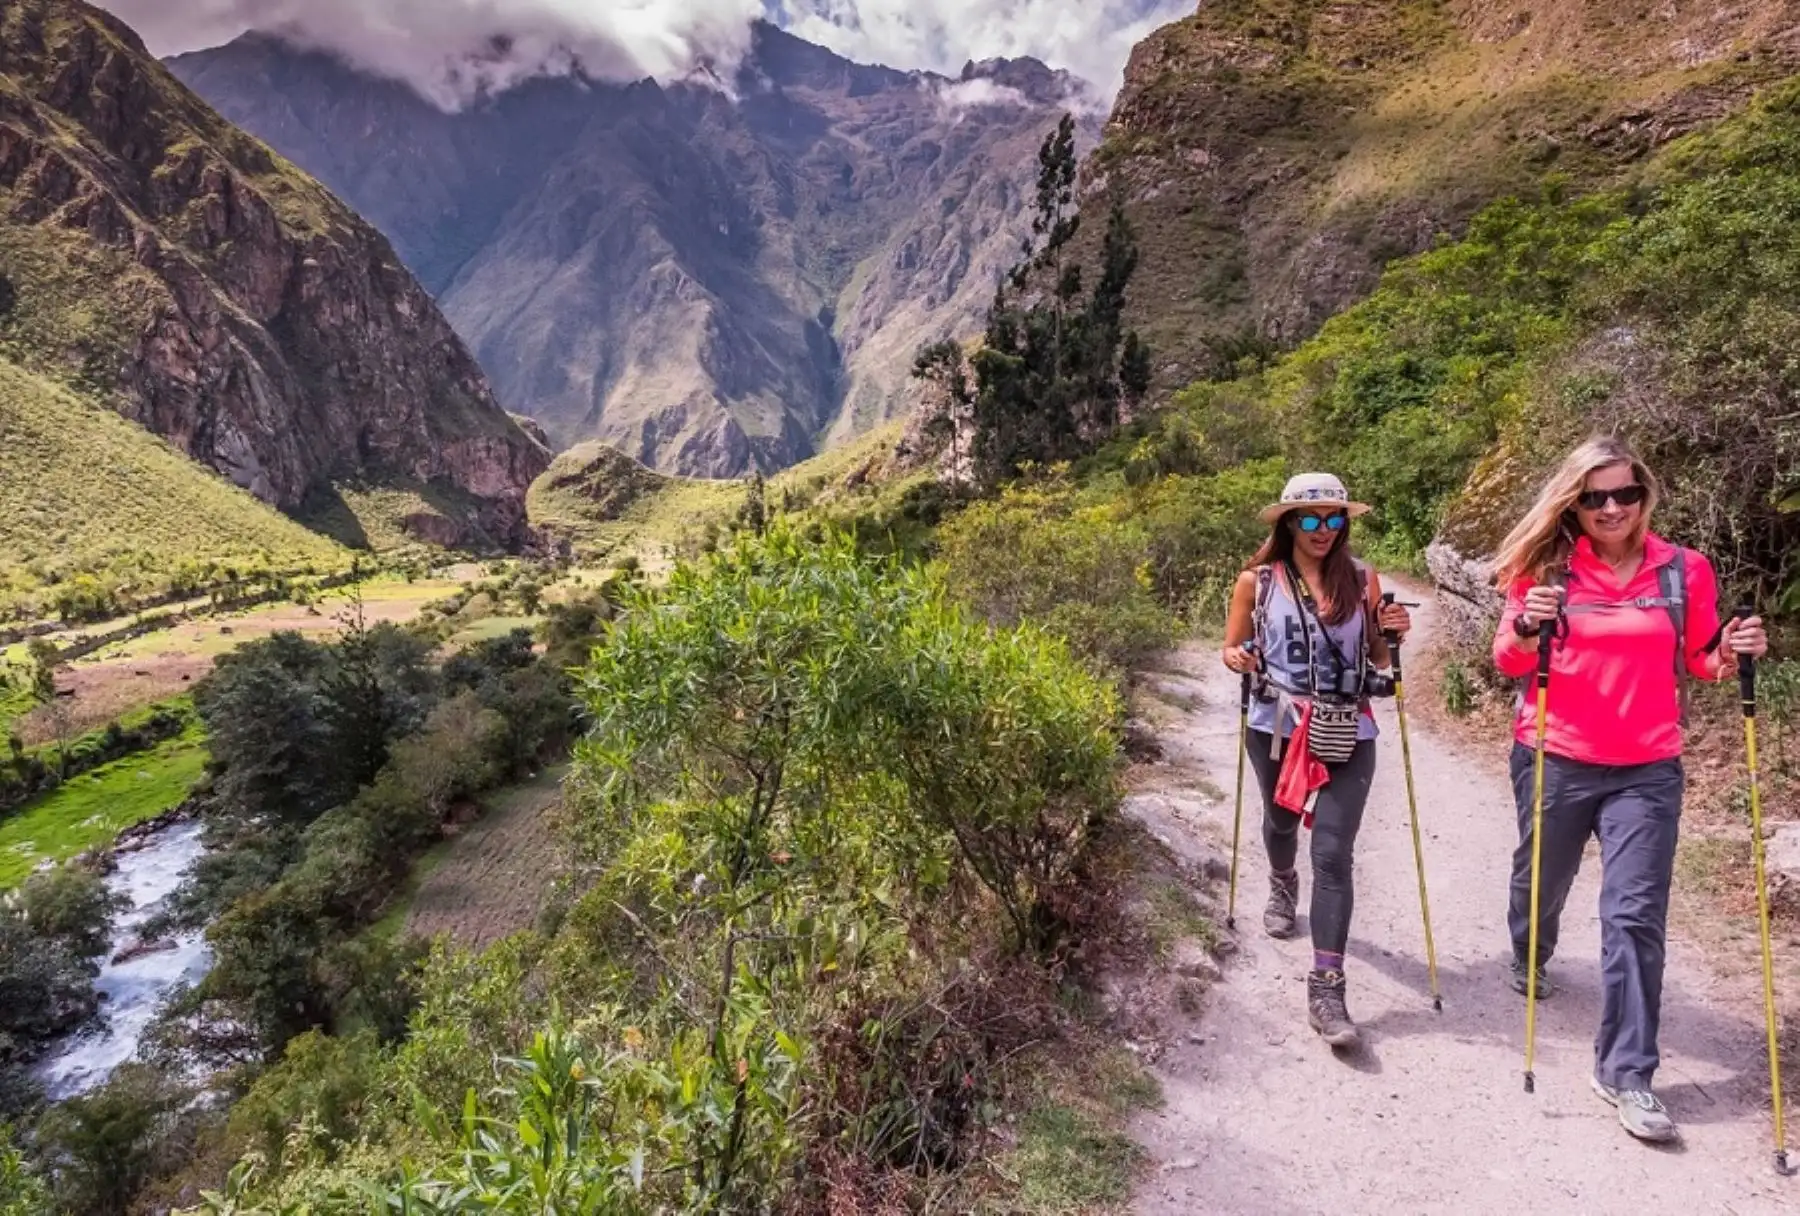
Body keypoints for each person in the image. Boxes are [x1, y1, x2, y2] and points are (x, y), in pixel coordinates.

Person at [1490, 436, 1767, 1144]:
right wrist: (1528, 623)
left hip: (1648, 768)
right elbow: (1507, 658)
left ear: (1645, 497)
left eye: (1625, 494)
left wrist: (1730, 652)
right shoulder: (1543, 569)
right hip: (1556, 754)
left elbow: (1700, 662)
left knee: (1634, 919)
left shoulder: (1683, 570)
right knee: (1543, 879)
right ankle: (1529, 950)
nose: (1612, 508)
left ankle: (1626, 1073)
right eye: (1595, 497)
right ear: (1573, 504)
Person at [1222, 472, 1411, 1049]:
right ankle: (1282, 882)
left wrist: (1392, 631)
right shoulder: (1257, 582)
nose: (1324, 529)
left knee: (1333, 852)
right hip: (1276, 725)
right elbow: (1233, 645)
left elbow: (1378, 655)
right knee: (1279, 825)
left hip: (1349, 725)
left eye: (1334, 519)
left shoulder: (1362, 579)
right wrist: (1237, 657)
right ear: (1288, 523)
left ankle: (1327, 985)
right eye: (1310, 519)